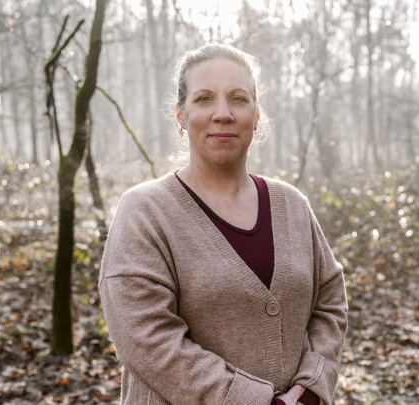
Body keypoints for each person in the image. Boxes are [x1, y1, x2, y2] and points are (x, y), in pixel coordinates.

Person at [99, 43, 348, 405]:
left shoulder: (291, 205)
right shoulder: (144, 211)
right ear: (181, 115)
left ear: (256, 115)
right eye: (204, 99)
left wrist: (311, 388)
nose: (223, 113)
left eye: (237, 98)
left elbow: (330, 301)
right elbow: (147, 340)